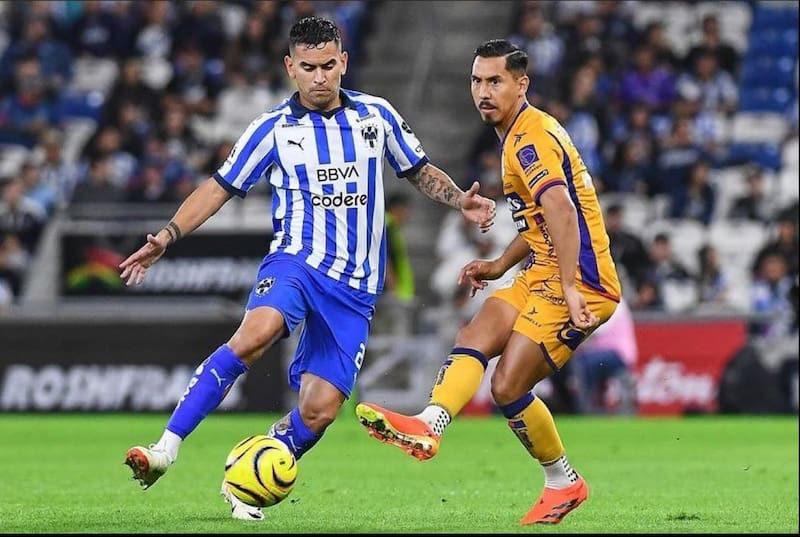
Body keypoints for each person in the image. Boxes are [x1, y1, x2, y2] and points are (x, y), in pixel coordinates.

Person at [120, 16, 496, 522]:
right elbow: (219, 187)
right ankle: (165, 447)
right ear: (289, 68)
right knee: (255, 334)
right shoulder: (272, 128)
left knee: (319, 412)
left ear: (342, 62)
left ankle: (249, 475)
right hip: (298, 263)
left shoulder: (375, 116)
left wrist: (461, 202)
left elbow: (418, 170)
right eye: (307, 68)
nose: (319, 77)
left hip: (354, 291)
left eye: (327, 66)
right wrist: (166, 237)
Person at [355, 39, 621, 525]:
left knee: (506, 385)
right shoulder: (515, 135)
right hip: (542, 268)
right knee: (474, 335)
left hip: (582, 281)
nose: (483, 91)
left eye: (495, 81)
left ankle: (563, 481)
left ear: (521, 84)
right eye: (477, 80)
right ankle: (429, 425)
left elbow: (560, 211)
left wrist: (569, 287)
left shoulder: (529, 139)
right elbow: (540, 221)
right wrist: (500, 264)